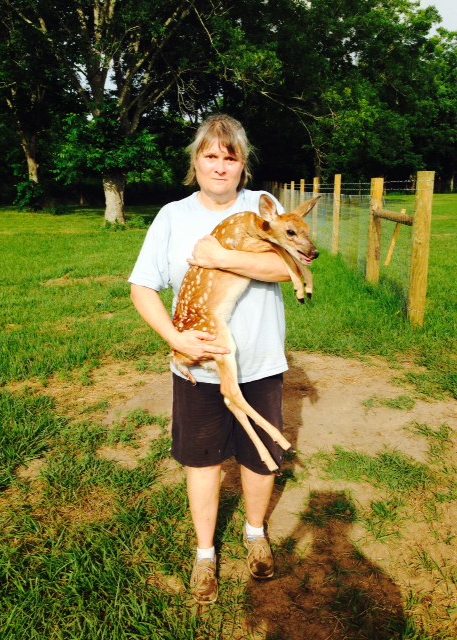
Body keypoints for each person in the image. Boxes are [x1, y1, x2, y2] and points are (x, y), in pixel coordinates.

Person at [129, 114, 291, 605]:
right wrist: (175, 337)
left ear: (243, 165)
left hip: (260, 360)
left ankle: (255, 533)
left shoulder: (263, 208)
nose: (220, 166)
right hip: (196, 366)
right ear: (195, 161)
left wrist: (222, 258)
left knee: (260, 459)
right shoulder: (172, 216)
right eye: (211, 156)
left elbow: (287, 266)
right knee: (202, 461)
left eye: (230, 157)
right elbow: (142, 287)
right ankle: (205, 555)